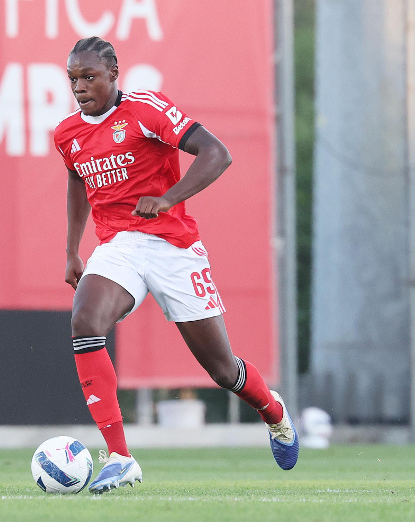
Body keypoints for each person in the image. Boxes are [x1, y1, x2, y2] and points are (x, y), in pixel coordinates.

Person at [53, 37, 299, 493]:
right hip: (118, 246)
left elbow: (217, 153)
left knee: (224, 371)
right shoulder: (68, 133)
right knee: (85, 319)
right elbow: (75, 178)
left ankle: (274, 412)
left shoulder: (147, 109)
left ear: (113, 74)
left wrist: (168, 199)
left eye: (90, 77)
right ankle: (120, 456)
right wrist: (72, 249)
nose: (80, 87)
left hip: (172, 246)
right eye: (73, 79)